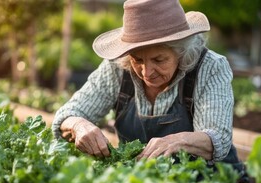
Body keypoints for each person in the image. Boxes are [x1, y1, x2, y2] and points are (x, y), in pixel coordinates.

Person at [52, 0, 244, 172]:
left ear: (182, 51)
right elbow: (67, 115)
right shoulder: (118, 67)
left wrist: (177, 141)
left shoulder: (210, 67)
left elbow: (218, 137)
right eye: (137, 60)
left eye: (159, 60)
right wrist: (78, 124)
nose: (146, 72)